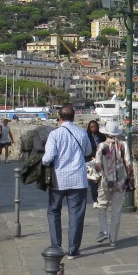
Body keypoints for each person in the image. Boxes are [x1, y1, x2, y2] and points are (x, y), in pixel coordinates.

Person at [41, 105, 92, 259]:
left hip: (58, 179)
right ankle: (73, 250)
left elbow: (48, 157)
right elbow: (88, 152)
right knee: (76, 214)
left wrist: (43, 161)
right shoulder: (82, 133)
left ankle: (56, 245)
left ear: (59, 117)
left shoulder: (54, 134)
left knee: (53, 211)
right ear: (74, 117)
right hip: (78, 179)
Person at [93, 120, 132, 247]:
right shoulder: (123, 145)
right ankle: (113, 239)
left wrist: (101, 174)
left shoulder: (102, 146)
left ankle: (104, 230)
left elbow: (97, 164)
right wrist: (130, 178)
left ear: (105, 133)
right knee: (116, 211)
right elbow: (128, 163)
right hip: (121, 182)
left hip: (106, 181)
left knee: (102, 207)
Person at [85, 120, 105, 205]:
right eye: (92, 127)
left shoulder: (102, 136)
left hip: (101, 160)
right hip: (90, 161)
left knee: (101, 181)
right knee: (93, 180)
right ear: (89, 128)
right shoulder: (86, 137)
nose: (93, 128)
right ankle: (95, 200)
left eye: (95, 126)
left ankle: (101, 198)